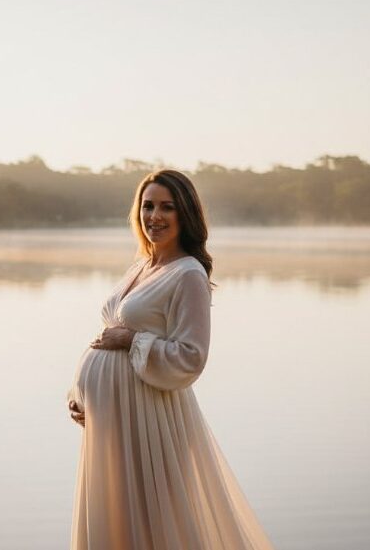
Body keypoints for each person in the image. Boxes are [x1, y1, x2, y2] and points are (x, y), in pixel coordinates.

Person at [66, 169, 275, 550]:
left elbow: (191, 357)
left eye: (167, 207)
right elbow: (106, 336)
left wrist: (132, 339)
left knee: (155, 527)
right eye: (148, 206)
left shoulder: (188, 275)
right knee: (117, 522)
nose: (155, 216)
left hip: (150, 422)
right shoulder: (142, 266)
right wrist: (80, 393)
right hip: (114, 421)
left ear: (186, 215)